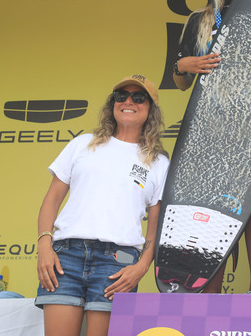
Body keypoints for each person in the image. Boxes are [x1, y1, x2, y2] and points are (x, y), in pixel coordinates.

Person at [35, 74, 169, 336]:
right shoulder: (82, 144)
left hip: (118, 262)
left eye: (138, 97)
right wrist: (44, 246)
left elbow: (156, 225)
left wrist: (141, 267)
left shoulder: (159, 162)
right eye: (121, 96)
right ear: (112, 103)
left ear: (150, 109)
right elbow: (51, 199)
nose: (128, 101)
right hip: (65, 257)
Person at [172, 0, 251, 294]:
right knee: (211, 203)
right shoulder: (200, 19)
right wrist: (184, 65)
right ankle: (208, 293)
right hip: (209, 126)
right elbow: (180, 82)